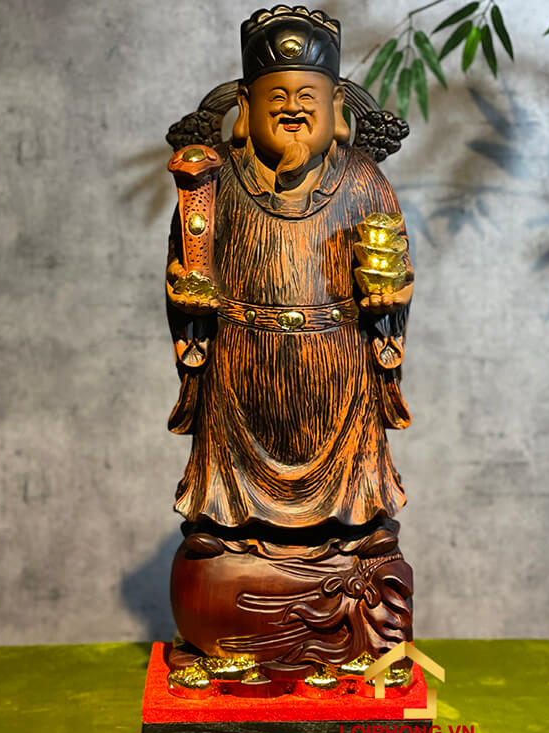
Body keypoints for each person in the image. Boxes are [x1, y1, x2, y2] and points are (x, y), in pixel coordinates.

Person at [164, 6, 415, 678]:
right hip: (241, 372)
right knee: (213, 552)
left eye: (309, 96)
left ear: (338, 110)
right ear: (245, 107)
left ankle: (345, 563)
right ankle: (245, 574)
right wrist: (189, 301)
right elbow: (184, 269)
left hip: (338, 373)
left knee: (367, 545)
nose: (294, 109)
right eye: (276, 97)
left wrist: (389, 301)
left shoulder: (362, 180)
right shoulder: (214, 182)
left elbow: (396, 269)